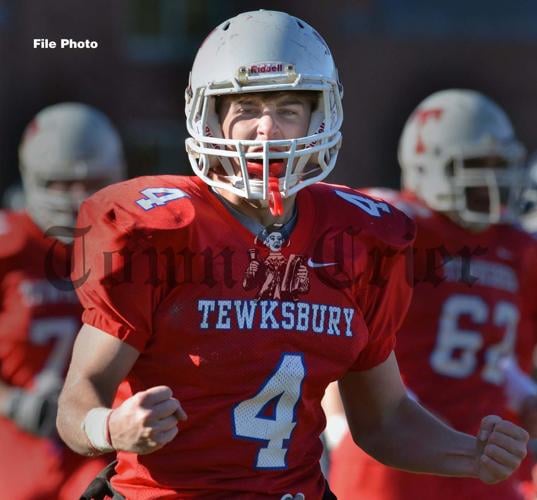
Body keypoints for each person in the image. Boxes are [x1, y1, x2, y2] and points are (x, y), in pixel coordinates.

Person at [57, 13, 529, 499]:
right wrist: (111, 428)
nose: (267, 129)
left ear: (319, 116)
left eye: (287, 108)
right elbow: (77, 401)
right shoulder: (158, 232)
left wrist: (469, 454)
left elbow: (384, 421)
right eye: (246, 107)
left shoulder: (359, 238)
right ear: (210, 115)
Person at [326, 89, 537, 500]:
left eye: (500, 166)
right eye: (476, 165)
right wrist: (338, 420)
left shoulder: (517, 247)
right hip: (398, 449)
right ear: (428, 164)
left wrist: (527, 397)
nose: (491, 181)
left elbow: (503, 357)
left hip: (487, 450)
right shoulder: (392, 228)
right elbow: (339, 331)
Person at [0, 102, 126, 499]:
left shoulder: (134, 247)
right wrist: (11, 401)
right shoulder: (10, 246)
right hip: (15, 440)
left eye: (93, 182)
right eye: (61, 184)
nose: (78, 198)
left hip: (97, 442)